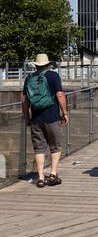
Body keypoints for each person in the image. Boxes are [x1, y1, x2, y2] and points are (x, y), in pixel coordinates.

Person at [22, 54, 69, 188]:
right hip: (52, 117)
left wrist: (27, 118)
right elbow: (60, 95)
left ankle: (41, 177)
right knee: (55, 146)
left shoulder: (29, 78)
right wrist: (64, 112)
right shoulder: (53, 76)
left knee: (39, 148)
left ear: (36, 65)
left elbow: (24, 101)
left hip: (36, 119)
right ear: (48, 64)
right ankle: (53, 174)